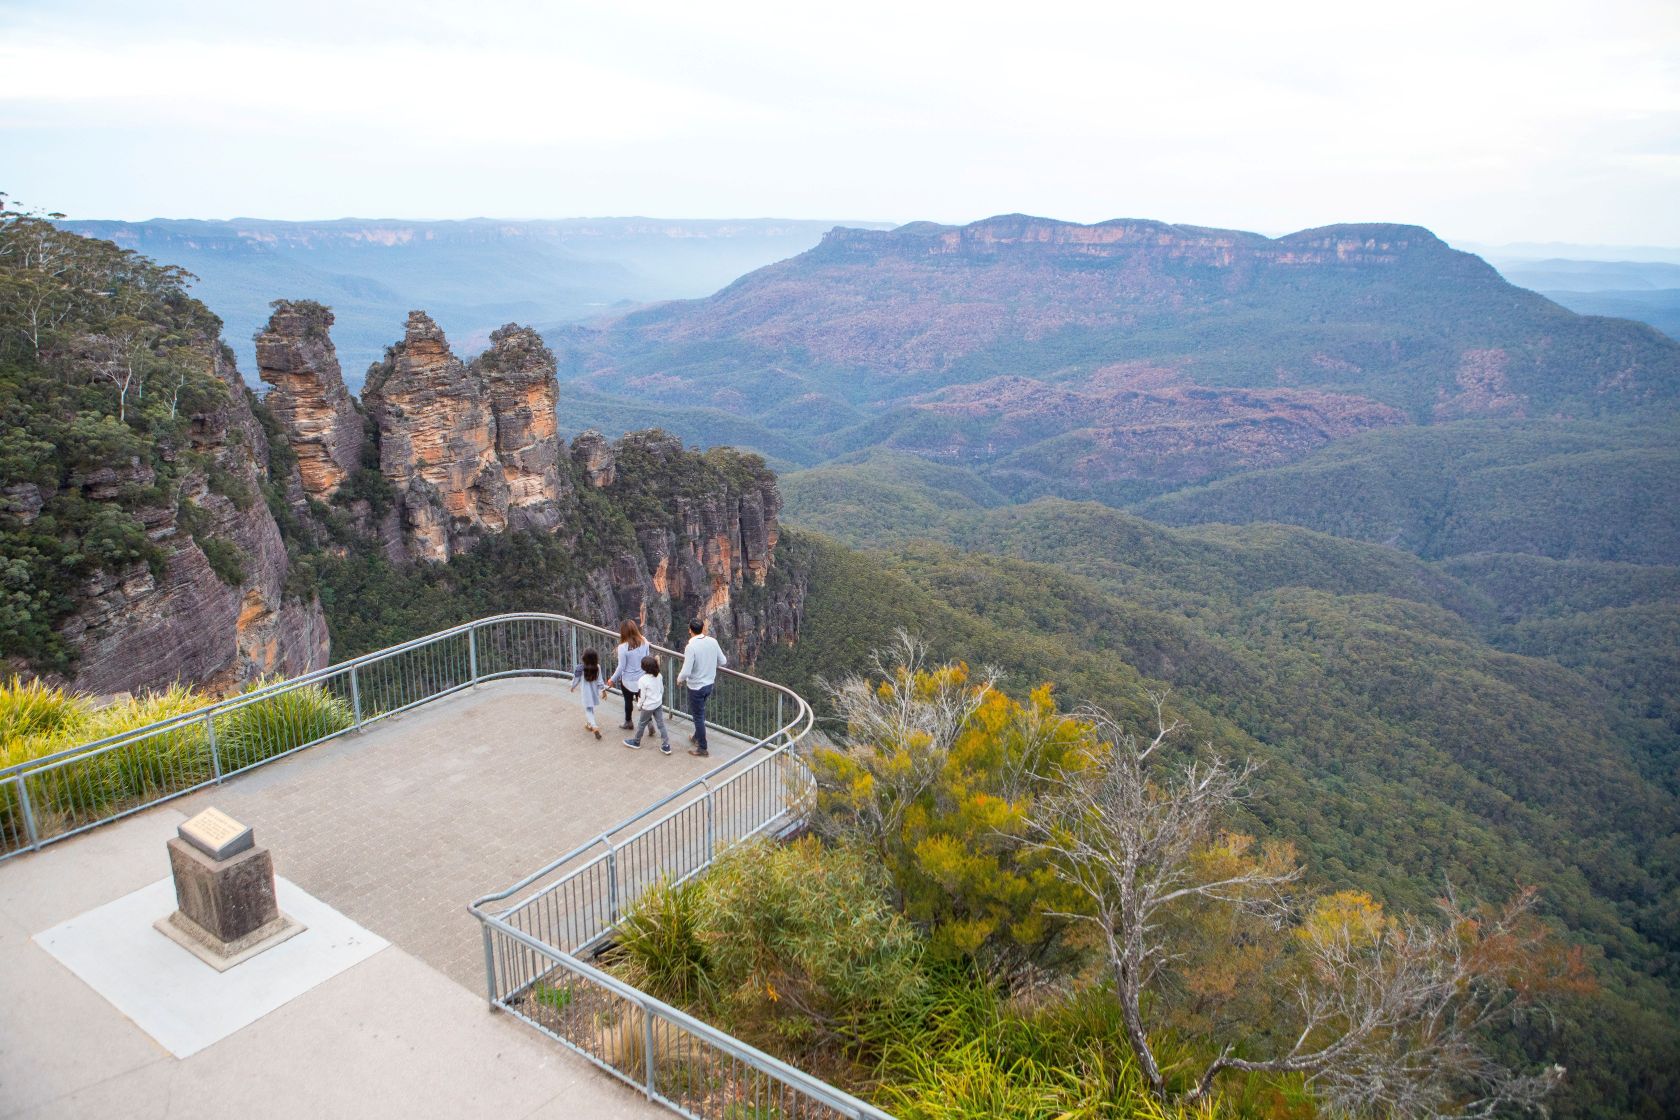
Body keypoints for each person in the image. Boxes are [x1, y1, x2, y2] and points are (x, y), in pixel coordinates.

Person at [676, 617, 727, 758]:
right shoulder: (713, 641)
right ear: (703, 628)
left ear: (690, 630)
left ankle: (702, 748)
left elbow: (686, 671)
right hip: (709, 685)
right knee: (700, 713)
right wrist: (709, 665)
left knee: (698, 717)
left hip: (696, 687)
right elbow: (723, 661)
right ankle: (696, 737)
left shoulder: (691, 647)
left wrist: (679, 679)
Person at [604, 620, 651, 731]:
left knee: (628, 702)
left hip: (628, 681)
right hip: (642, 679)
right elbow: (647, 658)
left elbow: (621, 667)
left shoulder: (622, 647)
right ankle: (649, 722)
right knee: (643, 702)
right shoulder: (644, 642)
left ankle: (628, 722)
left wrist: (612, 679)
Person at [623, 653, 672, 754]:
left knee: (641, 724)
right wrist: (658, 699)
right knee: (661, 724)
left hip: (648, 706)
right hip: (658, 703)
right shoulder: (659, 676)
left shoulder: (643, 680)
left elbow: (641, 696)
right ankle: (666, 745)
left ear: (644, 667)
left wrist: (639, 705)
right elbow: (661, 690)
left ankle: (636, 742)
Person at [568, 647, 603, 739]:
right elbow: (600, 681)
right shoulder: (597, 667)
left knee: (588, 709)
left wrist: (572, 686)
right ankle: (589, 724)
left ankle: (594, 726)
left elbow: (576, 680)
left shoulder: (580, 668)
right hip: (594, 692)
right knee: (591, 708)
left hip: (586, 693)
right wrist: (603, 690)